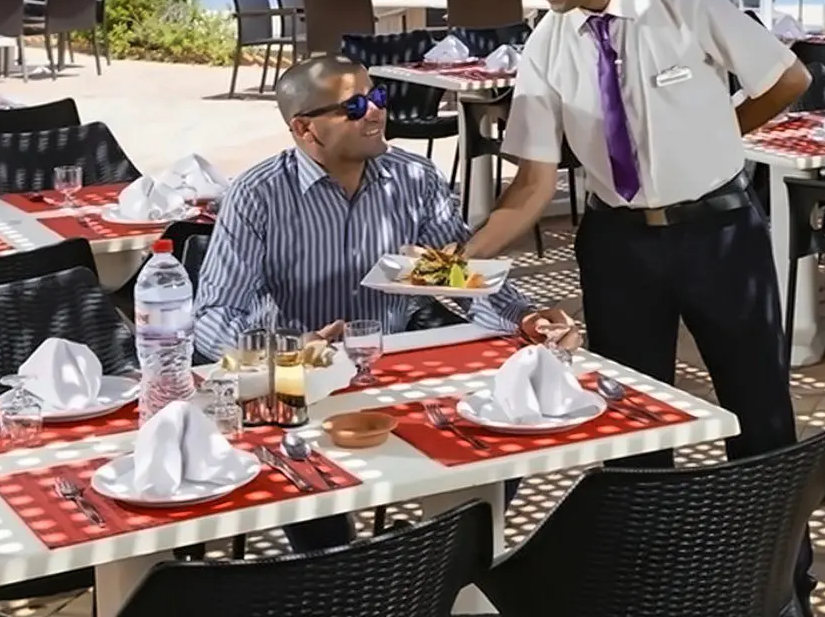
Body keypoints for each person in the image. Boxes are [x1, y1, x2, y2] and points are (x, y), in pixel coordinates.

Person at [463, 0, 819, 612]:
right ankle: (652, 586)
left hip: (722, 233)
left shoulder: (683, 5)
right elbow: (532, 183)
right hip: (618, 247)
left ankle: (785, 586)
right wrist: (459, 260)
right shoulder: (546, 45)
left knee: (760, 415)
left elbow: (790, 77)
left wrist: (722, 129)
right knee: (635, 424)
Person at [194, 55, 571, 549]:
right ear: (305, 129)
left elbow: (457, 275)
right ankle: (349, 567)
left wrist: (525, 317)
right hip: (298, 389)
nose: (375, 112)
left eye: (376, 97)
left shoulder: (415, 178)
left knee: (502, 441)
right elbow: (213, 316)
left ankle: (432, 559)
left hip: (391, 375)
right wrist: (287, 353)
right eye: (354, 106)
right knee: (323, 527)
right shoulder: (257, 195)